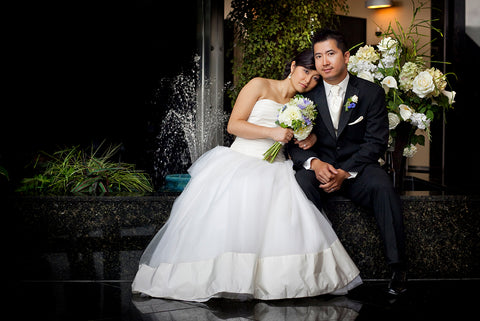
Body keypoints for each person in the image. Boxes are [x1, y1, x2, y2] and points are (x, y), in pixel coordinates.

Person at [131, 50, 362, 302]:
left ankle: (277, 282)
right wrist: (272, 132)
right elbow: (234, 124)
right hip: (241, 161)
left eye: (316, 77)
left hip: (279, 167)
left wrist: (311, 137)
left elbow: (312, 137)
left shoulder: (306, 104)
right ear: (294, 66)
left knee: (285, 226)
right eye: (306, 71)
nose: (308, 80)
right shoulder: (259, 84)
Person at [287, 29, 407, 296]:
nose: (324, 61)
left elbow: (375, 141)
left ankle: (398, 266)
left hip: (358, 169)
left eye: (330, 54)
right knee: (299, 181)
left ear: (346, 56)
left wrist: (345, 172)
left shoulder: (370, 92)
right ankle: (320, 262)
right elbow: (294, 144)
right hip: (321, 169)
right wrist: (315, 163)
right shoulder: (306, 96)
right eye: (319, 56)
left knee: (383, 187)